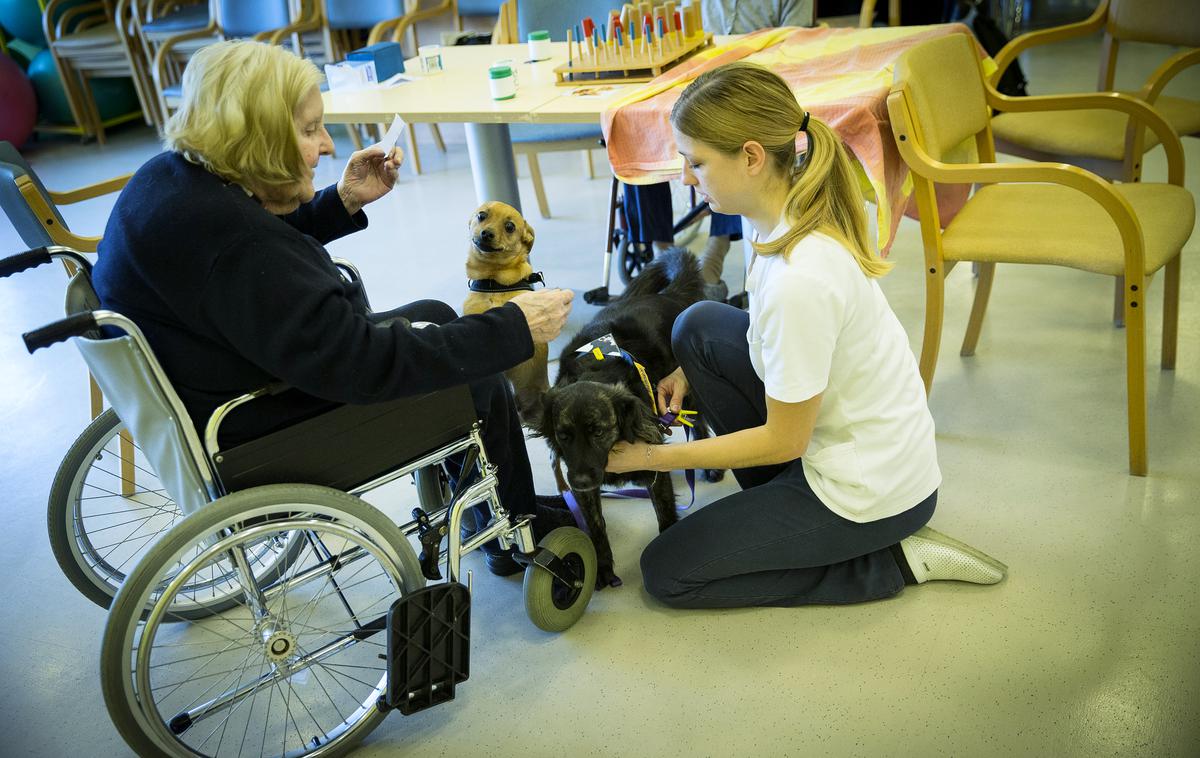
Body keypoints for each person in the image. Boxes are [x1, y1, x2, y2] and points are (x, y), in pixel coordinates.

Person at [93, 40, 576, 575]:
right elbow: (363, 363)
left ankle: (501, 499)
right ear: (258, 136)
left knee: (438, 313)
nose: (326, 145)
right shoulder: (237, 245)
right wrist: (512, 325)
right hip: (265, 427)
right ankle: (515, 523)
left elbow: (253, 268)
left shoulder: (173, 181)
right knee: (476, 370)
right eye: (308, 129)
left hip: (227, 377)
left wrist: (339, 201)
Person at [606, 62, 1006, 608]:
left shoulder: (803, 279)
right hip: (839, 443)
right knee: (698, 326)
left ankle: (887, 563)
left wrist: (648, 460)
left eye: (696, 162)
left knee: (667, 571)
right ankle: (783, 517)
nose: (685, 179)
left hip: (869, 495)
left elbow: (783, 440)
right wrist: (688, 373)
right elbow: (767, 340)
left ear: (750, 157)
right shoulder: (770, 210)